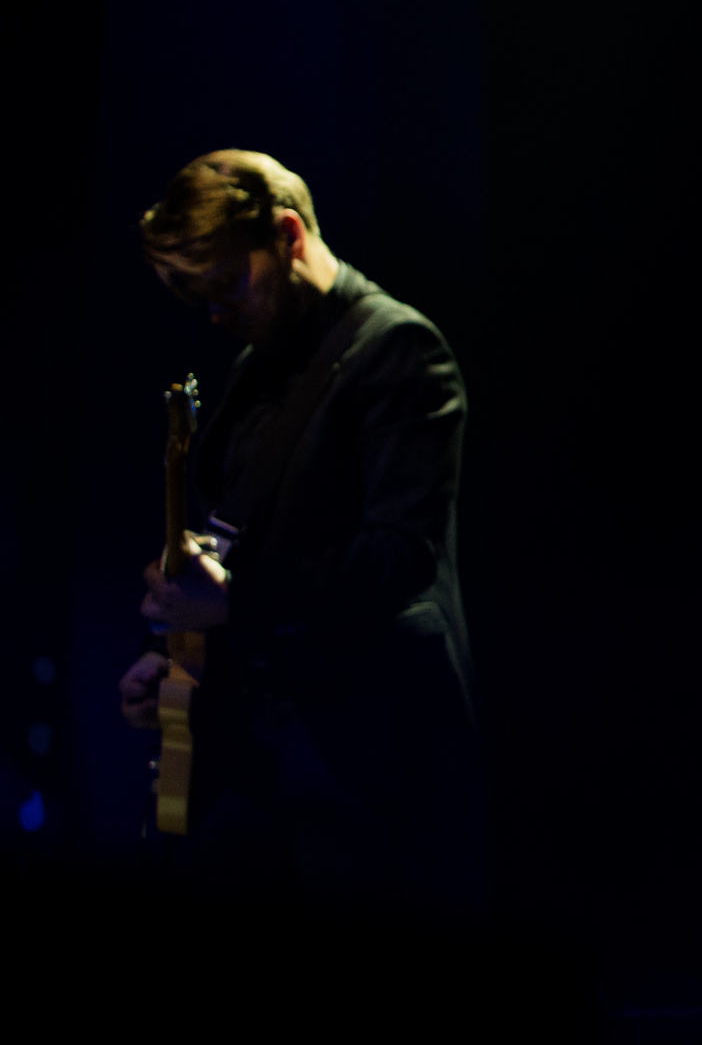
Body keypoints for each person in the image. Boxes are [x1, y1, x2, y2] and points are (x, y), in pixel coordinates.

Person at [118, 149, 485, 916]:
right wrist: (178, 654)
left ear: (287, 234)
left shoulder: (399, 350)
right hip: (258, 752)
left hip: (363, 756)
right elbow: (237, 547)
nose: (216, 314)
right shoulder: (256, 366)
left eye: (227, 285)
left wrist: (232, 602)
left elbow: (402, 557)